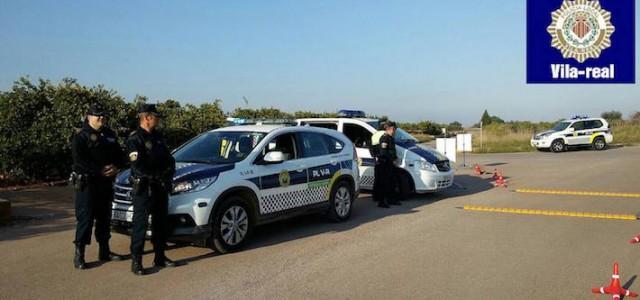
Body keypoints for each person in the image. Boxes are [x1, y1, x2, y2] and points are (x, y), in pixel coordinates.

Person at [71, 103, 125, 269]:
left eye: (103, 115)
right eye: (97, 115)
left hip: (105, 184)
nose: (101, 118)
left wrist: (116, 167)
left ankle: (105, 251)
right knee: (85, 220)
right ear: (88, 117)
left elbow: (120, 155)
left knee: (104, 218)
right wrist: (99, 171)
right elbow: (79, 161)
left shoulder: (109, 134)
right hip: (88, 184)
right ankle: (79, 255)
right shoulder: (81, 136)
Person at [126, 104, 176, 275]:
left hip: (160, 187)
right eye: (156, 116)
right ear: (147, 117)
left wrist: (168, 176)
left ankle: (160, 256)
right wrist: (156, 176)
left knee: (160, 223)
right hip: (144, 188)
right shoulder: (135, 139)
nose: (158, 119)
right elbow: (137, 166)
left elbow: (169, 160)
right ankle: (137, 261)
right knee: (140, 225)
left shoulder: (158, 137)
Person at [371, 121, 400, 208]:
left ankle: (391, 199)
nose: (395, 132)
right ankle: (381, 201)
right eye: (394, 130)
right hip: (384, 163)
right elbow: (383, 152)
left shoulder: (390, 138)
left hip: (389, 163)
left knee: (391, 182)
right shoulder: (384, 138)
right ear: (390, 129)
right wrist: (392, 160)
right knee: (383, 183)